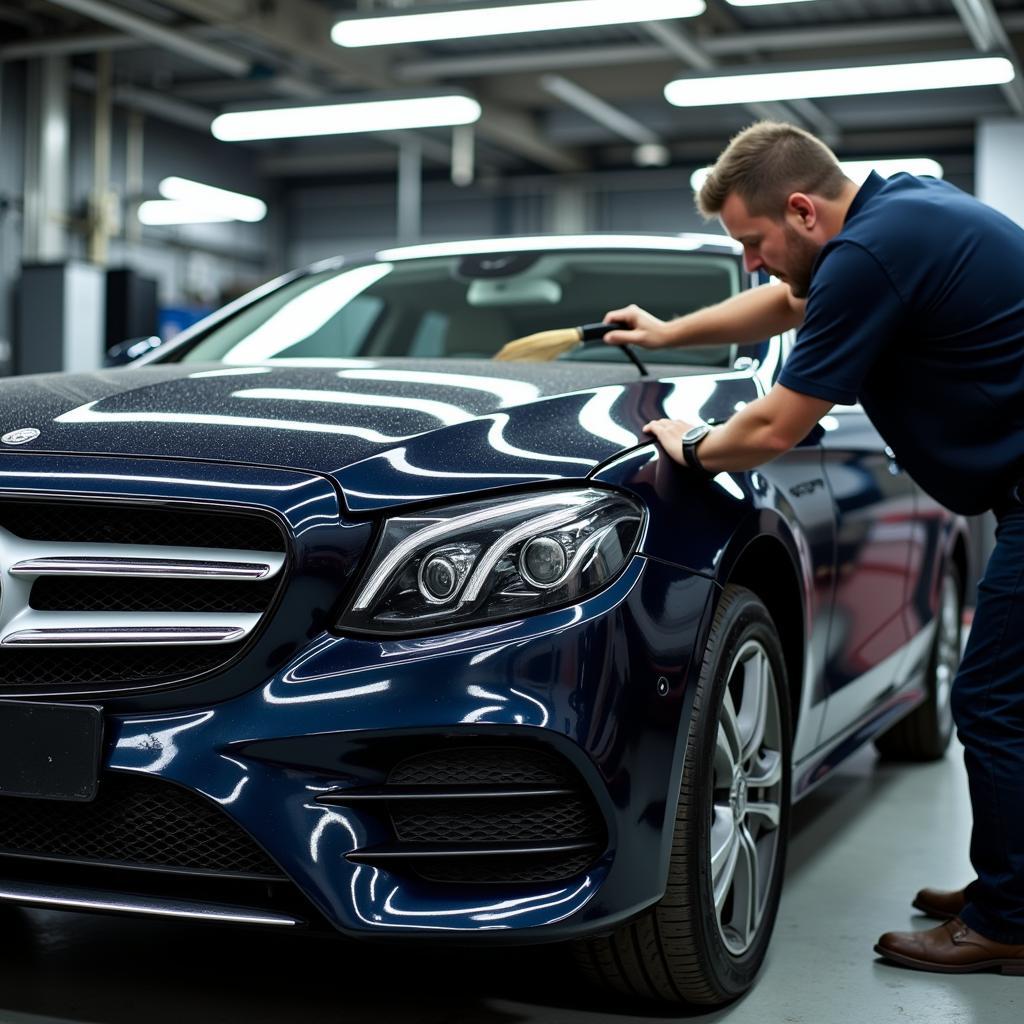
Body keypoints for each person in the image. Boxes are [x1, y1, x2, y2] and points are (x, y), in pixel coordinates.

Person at [602, 120, 1024, 974]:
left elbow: (771, 426)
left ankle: (1009, 921)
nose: (752, 262)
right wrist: (667, 332)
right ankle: (1010, 889)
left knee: (993, 703)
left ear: (801, 210)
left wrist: (688, 442)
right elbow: (792, 302)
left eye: (752, 241)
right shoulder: (894, 212)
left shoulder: (869, 256)